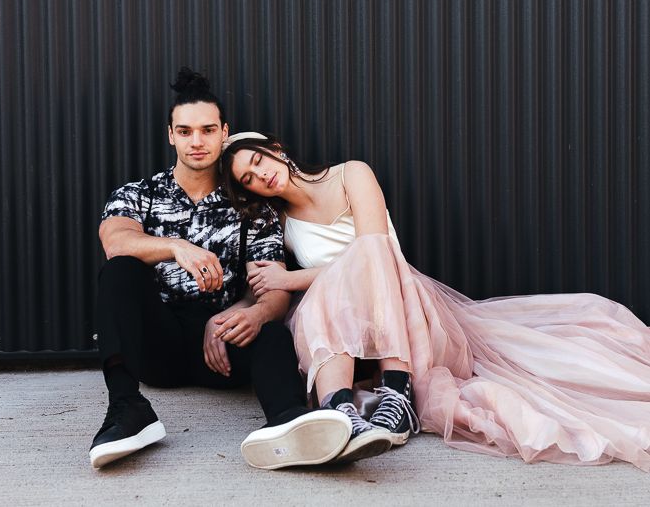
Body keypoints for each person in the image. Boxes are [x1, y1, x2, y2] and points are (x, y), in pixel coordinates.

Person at [221, 132, 650, 472]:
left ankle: (398, 392)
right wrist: (229, 314)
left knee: (363, 256)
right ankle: (340, 414)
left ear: (275, 149)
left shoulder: (351, 173)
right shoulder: (276, 221)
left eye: (259, 161)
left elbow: (379, 249)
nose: (261, 177)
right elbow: (261, 285)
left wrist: (293, 277)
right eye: (248, 180)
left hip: (402, 303)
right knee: (316, 298)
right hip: (346, 326)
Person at [89, 71, 352, 470]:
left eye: (208, 130)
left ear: (223, 132)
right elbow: (116, 241)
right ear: (171, 136)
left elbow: (274, 289)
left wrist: (254, 313)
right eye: (186, 131)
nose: (197, 141)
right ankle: (127, 410)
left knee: (272, 334)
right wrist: (177, 247)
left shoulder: (252, 207)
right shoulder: (138, 194)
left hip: (224, 347)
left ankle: (289, 424)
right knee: (120, 270)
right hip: (156, 347)